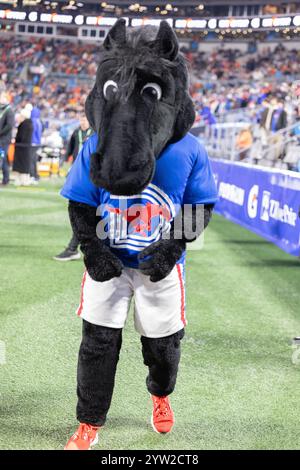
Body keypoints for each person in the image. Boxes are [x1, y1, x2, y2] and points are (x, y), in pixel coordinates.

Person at [62, 20, 217, 451]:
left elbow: (199, 206)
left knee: (164, 348)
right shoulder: (98, 143)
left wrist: (171, 248)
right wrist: (92, 250)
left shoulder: (189, 149)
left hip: (158, 268)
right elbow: (80, 202)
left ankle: (160, 396)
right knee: (97, 344)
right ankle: (89, 422)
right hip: (109, 263)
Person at [53, 114, 93, 261]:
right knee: (83, 211)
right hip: (79, 172)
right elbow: (71, 147)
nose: (83, 121)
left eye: (85, 119)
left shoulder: (96, 133)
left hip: (92, 175)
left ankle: (73, 248)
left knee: (86, 212)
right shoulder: (77, 132)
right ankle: (73, 248)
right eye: (81, 119)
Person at [12, 107, 33, 186]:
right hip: (23, 147)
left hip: (22, 148)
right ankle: (22, 180)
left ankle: (22, 181)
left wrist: (16, 141)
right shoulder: (28, 124)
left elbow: (21, 137)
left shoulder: (25, 125)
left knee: (21, 165)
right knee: (23, 165)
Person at [0, 91, 14, 185]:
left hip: (4, 140)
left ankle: (6, 179)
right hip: (1, 139)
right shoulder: (2, 109)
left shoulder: (9, 110)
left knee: (3, 158)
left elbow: (9, 125)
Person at [30, 106, 43, 183]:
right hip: (37, 143)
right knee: (34, 160)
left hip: (32, 143)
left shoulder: (33, 121)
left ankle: (32, 176)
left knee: (31, 161)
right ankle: (36, 175)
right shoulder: (39, 121)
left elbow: (32, 133)